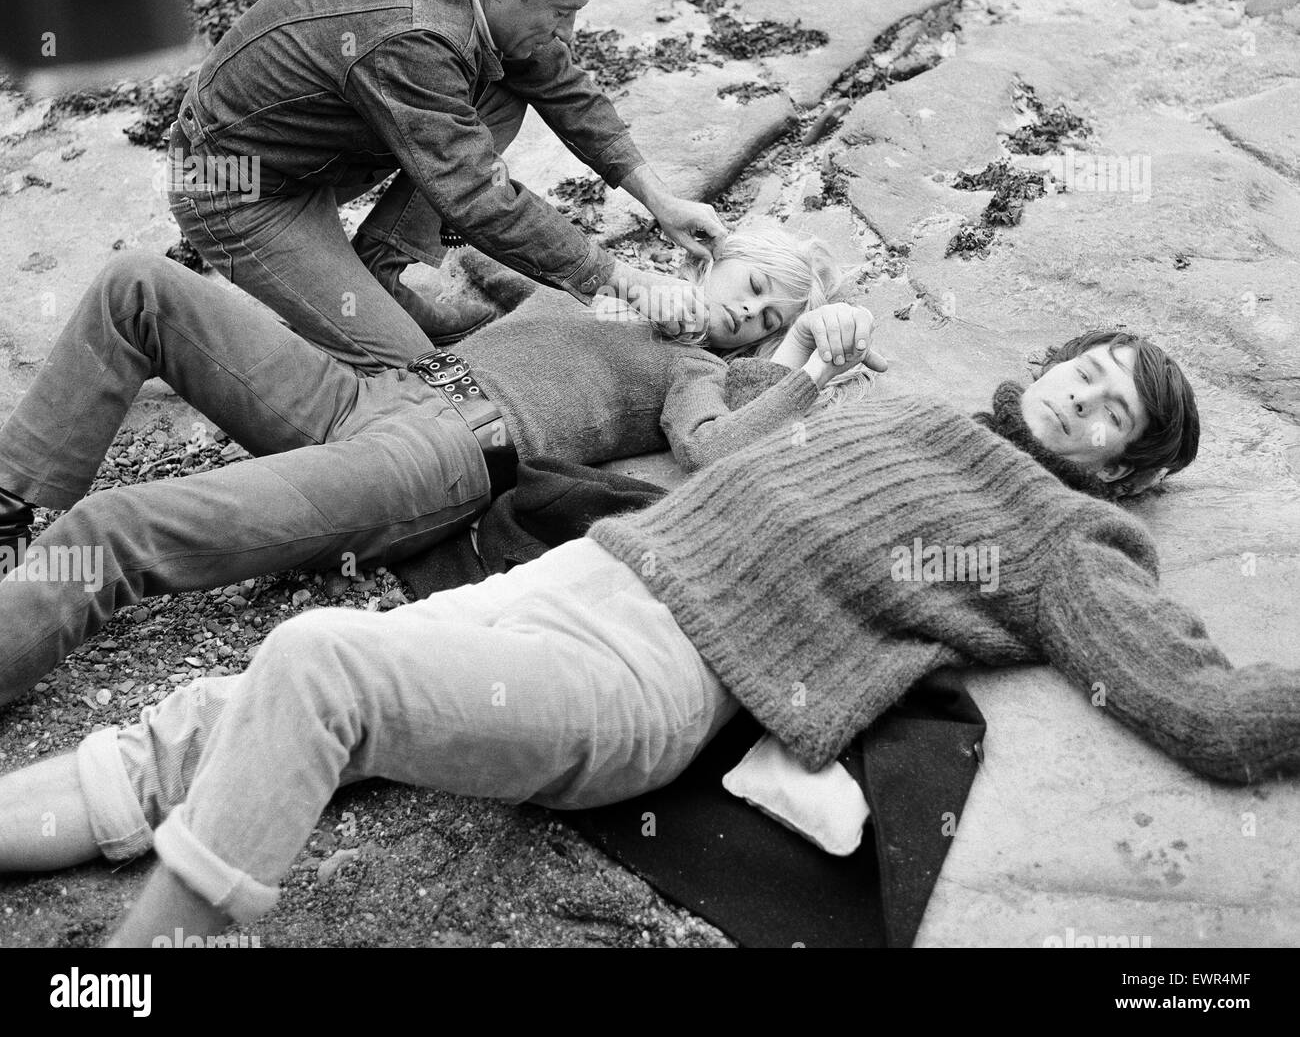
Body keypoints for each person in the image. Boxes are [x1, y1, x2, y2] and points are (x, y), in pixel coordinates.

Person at [8, 322, 1282, 954]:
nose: (1083, 386)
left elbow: (1202, 707)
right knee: (228, 710)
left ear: (1123, 470)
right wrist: (779, 365)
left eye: (1113, 408)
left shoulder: (1057, 532)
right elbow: (719, 445)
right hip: (581, 574)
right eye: (1093, 364)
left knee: (318, 662)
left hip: (648, 674)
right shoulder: (896, 399)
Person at [0, 225, 882, 703]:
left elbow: (715, 446)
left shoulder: (694, 371)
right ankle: (8, 508)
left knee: (112, 529)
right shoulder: (604, 287)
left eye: (770, 319)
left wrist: (804, 361)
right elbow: (476, 239)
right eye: (754, 289)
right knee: (139, 284)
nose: (749, 315)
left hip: (439, 455)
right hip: (369, 393)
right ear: (716, 262)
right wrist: (620, 257)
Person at [166, 0, 725, 369]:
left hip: (316, 154)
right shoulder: (413, 37)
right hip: (235, 188)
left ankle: (376, 274)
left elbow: (559, 81)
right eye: (562, 12)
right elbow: (478, 196)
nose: (566, 34)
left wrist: (662, 202)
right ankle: (191, 328)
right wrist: (618, 279)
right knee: (410, 369)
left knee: (509, 80)